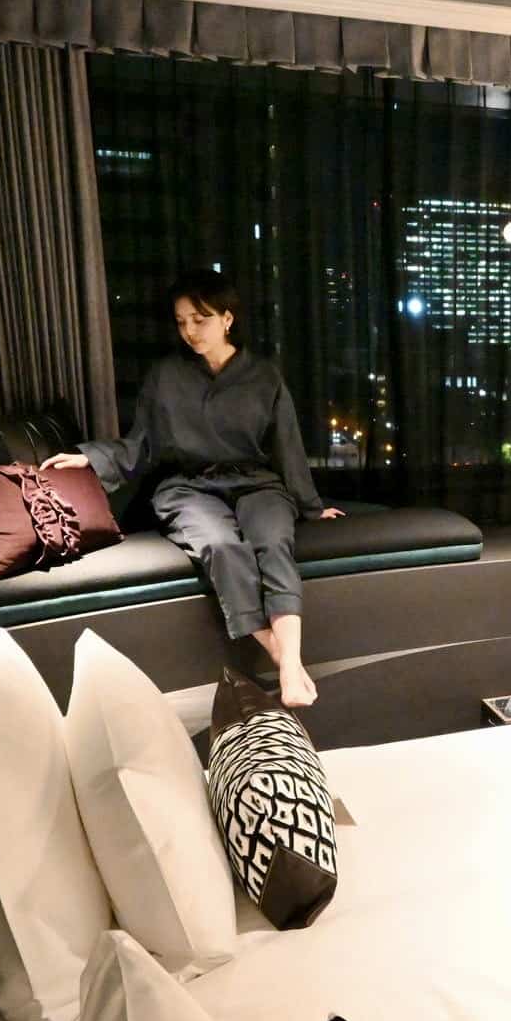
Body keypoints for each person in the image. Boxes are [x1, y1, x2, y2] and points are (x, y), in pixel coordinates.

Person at [41, 269, 344, 707]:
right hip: (189, 487)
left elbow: (287, 446)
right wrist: (90, 458)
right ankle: (285, 661)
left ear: (227, 318)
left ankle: (291, 661)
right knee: (220, 545)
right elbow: (141, 443)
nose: (189, 331)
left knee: (274, 540)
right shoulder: (166, 376)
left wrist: (311, 507)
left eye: (200, 319)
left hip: (255, 482)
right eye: (182, 321)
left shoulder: (264, 376)